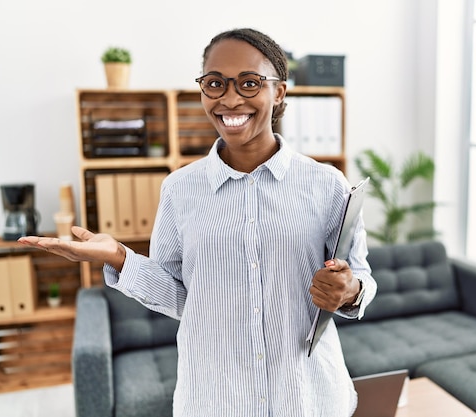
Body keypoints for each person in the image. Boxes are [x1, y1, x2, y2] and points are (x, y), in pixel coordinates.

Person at [19, 27, 376, 417]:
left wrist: (349, 289)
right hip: (215, 398)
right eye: (215, 83)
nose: (230, 98)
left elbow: (359, 277)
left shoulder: (327, 185)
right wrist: (121, 257)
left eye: (250, 83)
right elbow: (182, 297)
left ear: (280, 92)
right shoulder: (179, 190)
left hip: (308, 396)